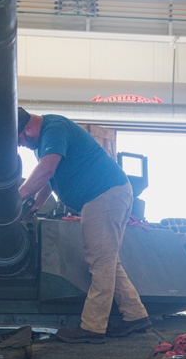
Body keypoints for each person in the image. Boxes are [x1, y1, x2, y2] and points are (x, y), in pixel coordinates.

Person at [16, 108, 150, 343]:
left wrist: (16, 197)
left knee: (99, 261)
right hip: (106, 194)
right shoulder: (46, 138)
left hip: (103, 195)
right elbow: (51, 175)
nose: (22, 147)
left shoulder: (54, 129)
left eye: (20, 142)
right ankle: (135, 315)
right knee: (107, 260)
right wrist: (36, 203)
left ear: (27, 129)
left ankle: (93, 327)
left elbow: (47, 169)